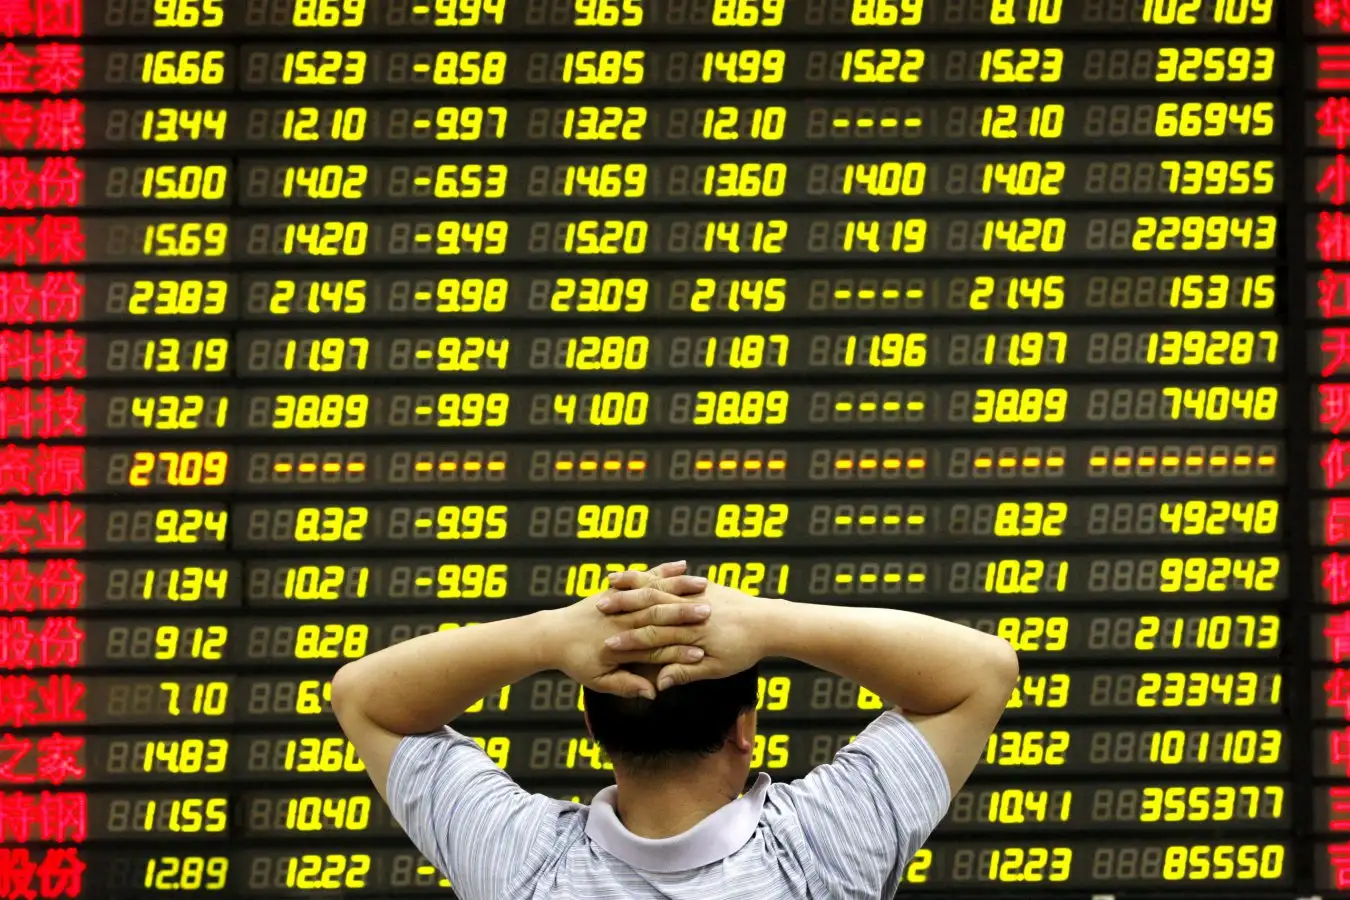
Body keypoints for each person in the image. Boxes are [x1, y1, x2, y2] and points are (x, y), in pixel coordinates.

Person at [331, 560, 1019, 900]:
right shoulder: (821, 851)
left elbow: (361, 696)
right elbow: (982, 672)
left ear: (593, 723)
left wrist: (550, 636)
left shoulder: (521, 866)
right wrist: (768, 622)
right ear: (744, 729)